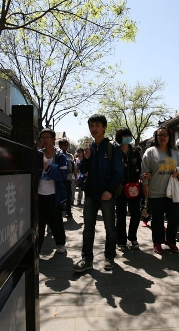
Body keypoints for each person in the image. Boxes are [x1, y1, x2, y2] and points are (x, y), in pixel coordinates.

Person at [73, 114, 124, 272]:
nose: (93, 129)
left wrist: (109, 190)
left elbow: (118, 172)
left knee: (110, 227)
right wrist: (86, 159)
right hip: (90, 194)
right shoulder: (90, 148)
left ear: (104, 127)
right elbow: (82, 170)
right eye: (91, 126)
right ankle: (86, 259)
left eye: (97, 125)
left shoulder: (113, 147)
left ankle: (109, 257)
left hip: (107, 195)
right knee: (88, 228)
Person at [141, 126, 179, 254]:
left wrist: (177, 173)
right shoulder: (150, 152)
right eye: (160, 135)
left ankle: (170, 241)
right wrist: (145, 184)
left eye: (165, 135)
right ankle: (157, 242)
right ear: (156, 137)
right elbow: (145, 171)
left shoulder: (174, 152)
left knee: (174, 218)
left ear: (169, 137)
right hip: (156, 191)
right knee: (157, 220)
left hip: (172, 192)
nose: (162, 137)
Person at [36, 128, 68, 254]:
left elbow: (61, 175)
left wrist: (47, 168)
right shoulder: (38, 155)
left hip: (54, 195)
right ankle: (36, 248)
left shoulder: (60, 156)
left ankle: (60, 243)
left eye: (47, 137)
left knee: (56, 221)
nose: (44, 140)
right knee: (39, 223)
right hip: (39, 195)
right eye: (42, 137)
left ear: (53, 139)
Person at [114, 128, 143, 251]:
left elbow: (140, 167)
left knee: (136, 213)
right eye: (124, 136)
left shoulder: (135, 151)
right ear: (119, 138)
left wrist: (141, 177)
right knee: (120, 215)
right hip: (120, 188)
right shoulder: (115, 152)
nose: (127, 138)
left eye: (129, 136)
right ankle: (121, 240)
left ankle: (133, 237)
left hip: (134, 187)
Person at [58, 138, 75, 218]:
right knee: (60, 195)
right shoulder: (57, 155)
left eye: (67, 145)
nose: (66, 146)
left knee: (69, 195)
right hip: (60, 179)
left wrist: (76, 178)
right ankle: (60, 212)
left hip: (68, 178)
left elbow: (74, 167)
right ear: (60, 146)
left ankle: (69, 211)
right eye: (64, 145)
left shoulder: (70, 155)